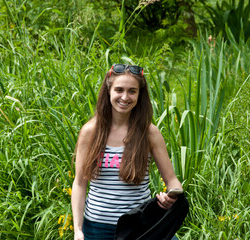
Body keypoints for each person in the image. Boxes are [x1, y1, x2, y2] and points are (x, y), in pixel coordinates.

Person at [71, 64, 184, 240]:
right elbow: (79, 183)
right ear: (109, 91)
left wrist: (171, 196)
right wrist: (78, 230)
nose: (125, 97)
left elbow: (172, 180)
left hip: (139, 226)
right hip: (96, 228)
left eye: (132, 91)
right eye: (119, 90)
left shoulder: (149, 133)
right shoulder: (90, 132)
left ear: (139, 95)